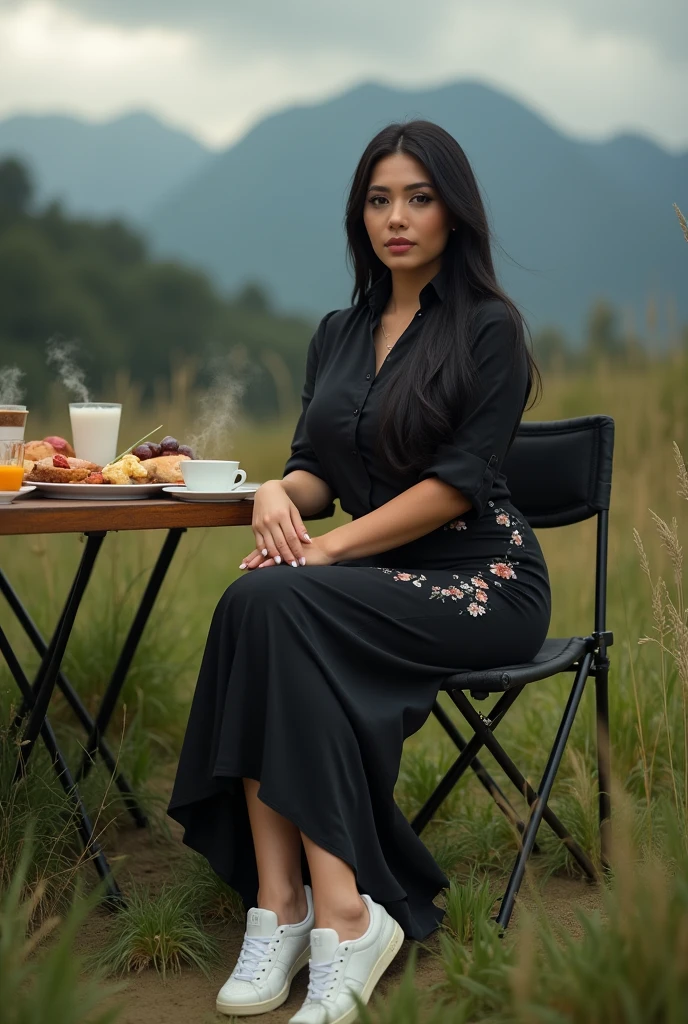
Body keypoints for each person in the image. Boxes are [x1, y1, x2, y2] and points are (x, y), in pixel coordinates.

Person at [168, 119, 551, 1023]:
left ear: (454, 213)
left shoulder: (489, 329)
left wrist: (324, 548)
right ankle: (285, 906)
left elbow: (457, 488)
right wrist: (277, 494)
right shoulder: (338, 333)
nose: (398, 217)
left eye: (419, 198)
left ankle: (343, 912)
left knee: (282, 598)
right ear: (360, 216)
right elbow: (320, 469)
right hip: (362, 584)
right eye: (380, 200)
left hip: (481, 580)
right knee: (258, 599)